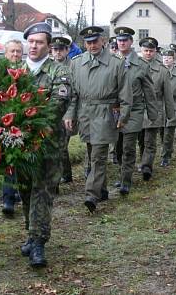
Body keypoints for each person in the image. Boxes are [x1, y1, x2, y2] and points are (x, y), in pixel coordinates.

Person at [17, 22, 72, 268]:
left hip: (48, 143)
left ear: (48, 46)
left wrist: (28, 120)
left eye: (39, 42)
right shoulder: (15, 72)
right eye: (31, 41)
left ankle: (39, 241)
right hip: (19, 144)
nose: (34, 46)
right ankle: (31, 232)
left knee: (43, 192)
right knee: (26, 190)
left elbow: (57, 105)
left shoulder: (58, 72)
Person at [64, 26, 132, 212]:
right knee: (91, 150)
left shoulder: (116, 63)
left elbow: (125, 92)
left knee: (98, 156)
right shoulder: (76, 63)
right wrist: (70, 114)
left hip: (105, 112)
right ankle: (101, 190)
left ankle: (91, 195)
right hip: (85, 113)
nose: (92, 45)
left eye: (95, 41)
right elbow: (73, 94)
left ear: (103, 41)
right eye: (88, 42)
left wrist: (124, 115)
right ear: (84, 44)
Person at [112, 27, 158, 194]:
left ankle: (126, 181)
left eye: (125, 40)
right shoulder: (111, 62)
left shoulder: (141, 65)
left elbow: (149, 91)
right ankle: (121, 174)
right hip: (116, 110)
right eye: (119, 40)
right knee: (117, 147)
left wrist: (153, 114)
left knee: (128, 147)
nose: (122, 42)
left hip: (134, 110)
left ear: (131, 42)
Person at [139, 37, 174, 180]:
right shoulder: (133, 67)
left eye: (151, 51)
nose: (148, 53)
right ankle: (143, 161)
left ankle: (147, 166)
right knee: (140, 140)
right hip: (137, 109)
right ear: (141, 51)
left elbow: (168, 94)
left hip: (154, 109)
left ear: (155, 52)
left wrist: (170, 113)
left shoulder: (162, 70)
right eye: (146, 50)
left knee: (150, 140)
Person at [1, 39, 24, 216]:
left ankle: (18, 193)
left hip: (24, 121)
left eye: (18, 51)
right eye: (12, 51)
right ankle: (8, 199)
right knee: (9, 160)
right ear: (5, 53)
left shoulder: (27, 71)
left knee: (20, 160)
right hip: (3, 122)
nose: (15, 54)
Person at [51, 35, 74, 184]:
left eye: (61, 49)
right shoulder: (48, 67)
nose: (58, 53)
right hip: (50, 113)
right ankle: (65, 173)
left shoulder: (74, 66)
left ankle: (58, 178)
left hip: (67, 112)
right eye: (55, 49)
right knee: (56, 146)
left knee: (61, 146)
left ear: (67, 50)